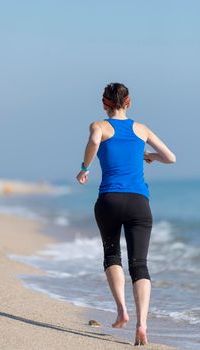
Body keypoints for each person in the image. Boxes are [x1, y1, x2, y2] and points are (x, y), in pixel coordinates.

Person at [76, 82, 176, 346]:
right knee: (139, 264)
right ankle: (142, 324)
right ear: (129, 103)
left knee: (112, 255)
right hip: (138, 203)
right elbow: (171, 157)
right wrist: (149, 156)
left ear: (104, 104)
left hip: (109, 200)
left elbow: (94, 142)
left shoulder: (99, 126)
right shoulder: (142, 129)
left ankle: (122, 310)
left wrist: (85, 167)